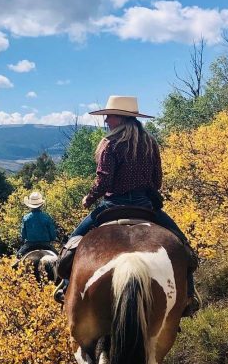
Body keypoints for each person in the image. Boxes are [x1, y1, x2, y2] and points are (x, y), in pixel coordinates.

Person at [54, 95, 199, 314]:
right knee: (183, 246)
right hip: (145, 204)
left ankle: (65, 288)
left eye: (109, 116)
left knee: (70, 245)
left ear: (120, 118)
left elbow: (104, 180)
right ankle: (189, 295)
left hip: (112, 204)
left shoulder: (110, 144)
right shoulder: (150, 142)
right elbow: (157, 180)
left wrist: (89, 198)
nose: (106, 121)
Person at [18, 191, 58, 255]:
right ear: (41, 205)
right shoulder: (47, 217)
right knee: (59, 258)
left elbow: (23, 235)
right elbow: (52, 235)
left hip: (30, 245)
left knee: (18, 257)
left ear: (30, 205)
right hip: (46, 244)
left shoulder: (26, 218)